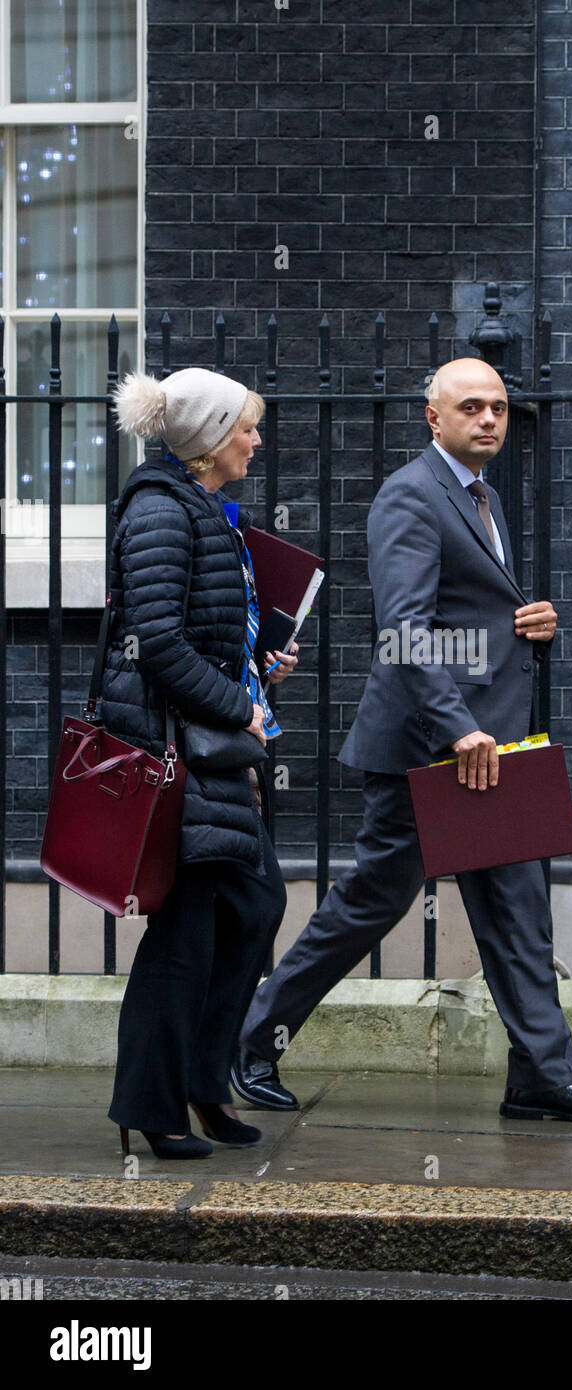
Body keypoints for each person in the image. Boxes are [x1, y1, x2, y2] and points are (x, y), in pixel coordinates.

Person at [233, 358, 572, 1124]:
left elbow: (459, 620)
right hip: (432, 746)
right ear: (435, 419)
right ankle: (252, 1040)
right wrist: (460, 729)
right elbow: (405, 632)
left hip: (491, 748)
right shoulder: (412, 496)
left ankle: (541, 1077)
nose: (489, 420)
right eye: (472, 408)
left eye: (500, 409)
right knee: (368, 906)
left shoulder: (480, 496)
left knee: (519, 911)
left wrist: (526, 626)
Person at [103, 367, 297, 1159]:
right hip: (176, 755)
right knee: (188, 931)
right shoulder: (158, 512)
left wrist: (258, 660)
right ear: (211, 440)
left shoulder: (204, 511)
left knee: (249, 910)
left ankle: (200, 1085)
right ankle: (154, 1106)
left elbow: (204, 628)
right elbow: (155, 645)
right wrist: (237, 705)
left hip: (208, 753)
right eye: (246, 427)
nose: (256, 439)